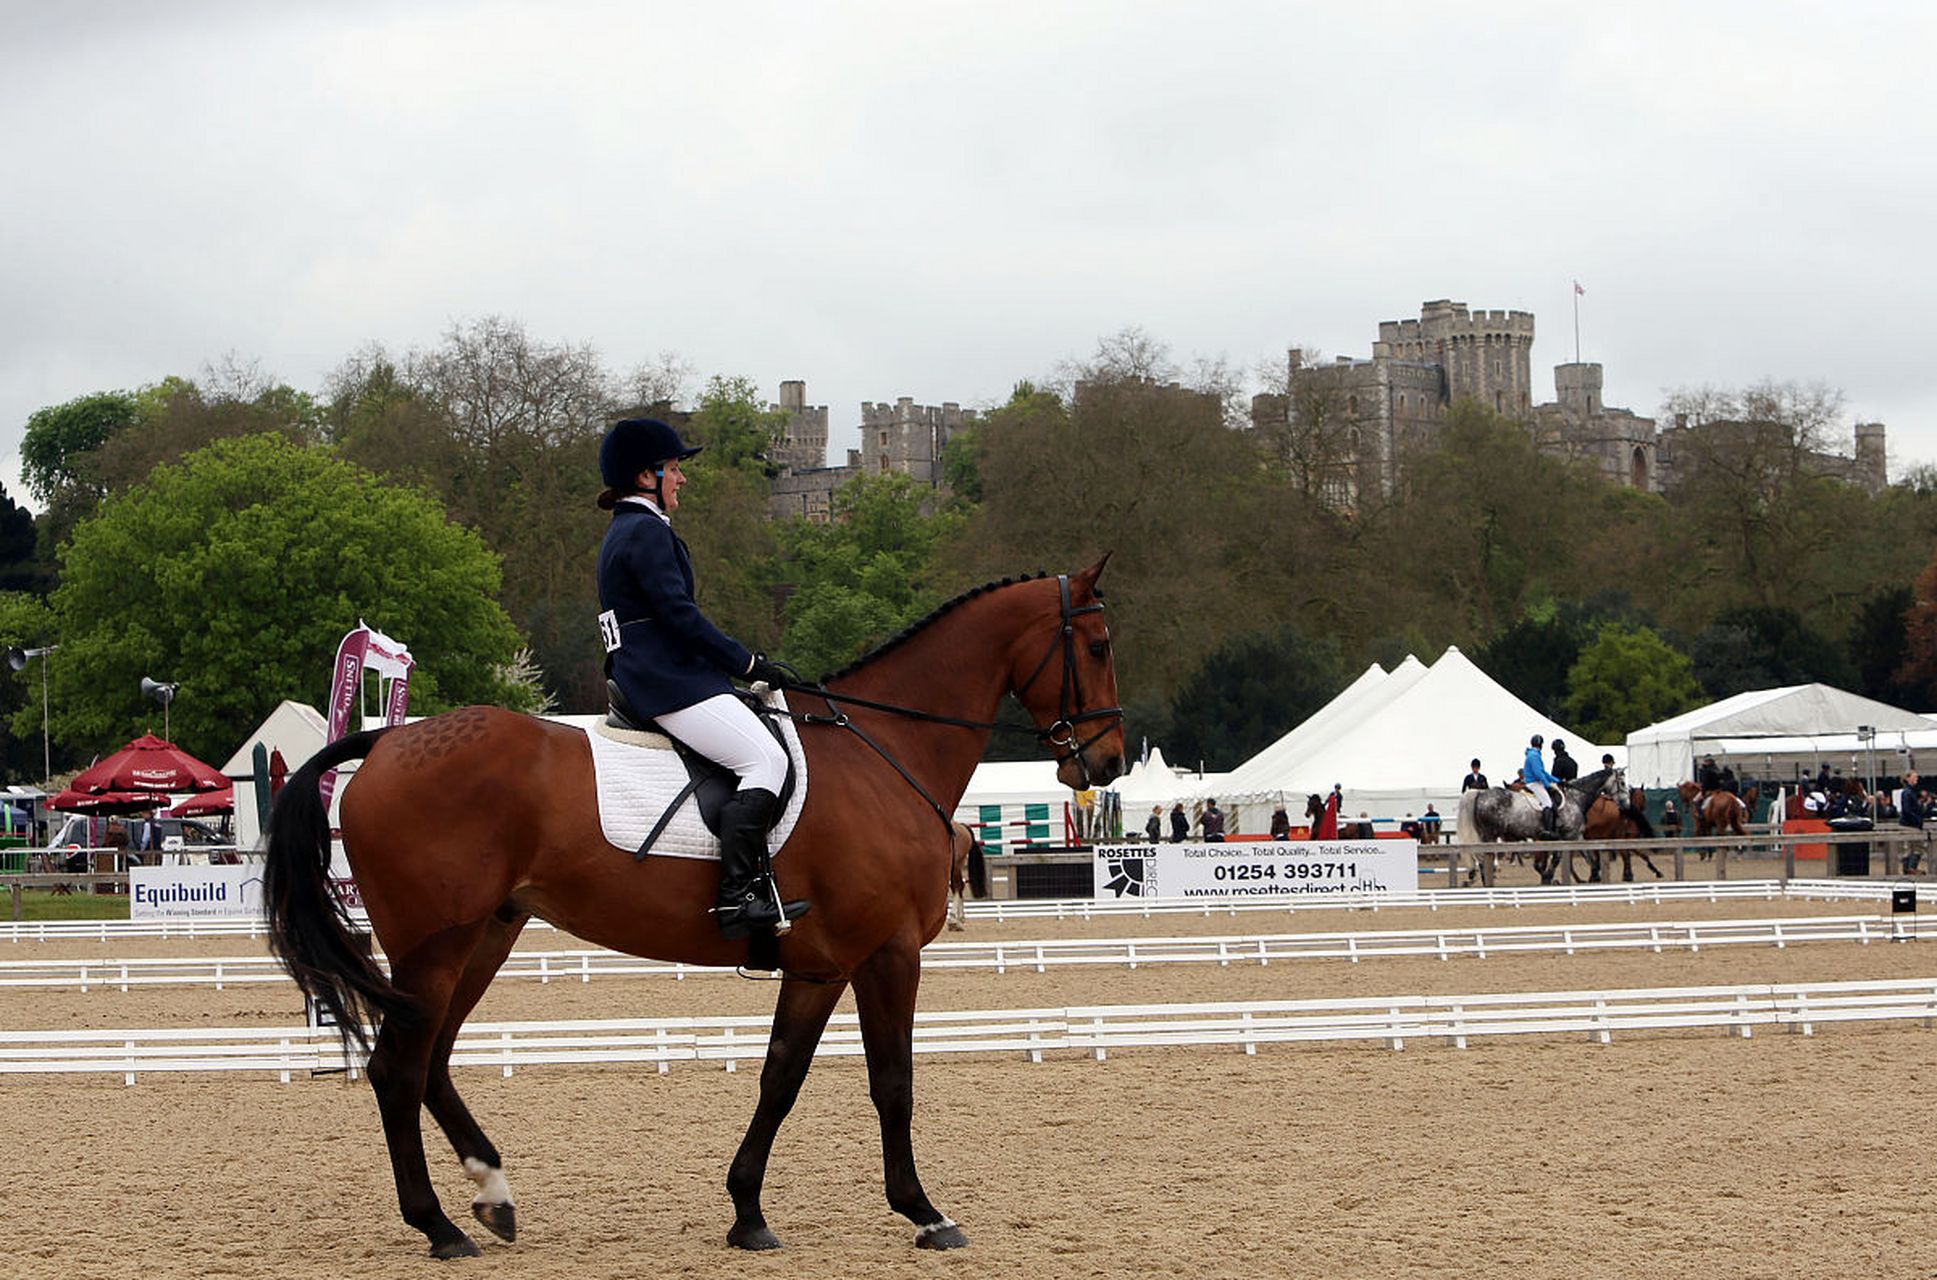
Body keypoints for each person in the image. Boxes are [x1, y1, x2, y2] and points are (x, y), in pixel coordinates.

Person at [597, 416, 802, 940]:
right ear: (647, 477)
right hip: (666, 680)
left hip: (660, 672)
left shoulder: (634, 528)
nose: (682, 478)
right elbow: (679, 617)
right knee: (766, 758)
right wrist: (747, 664)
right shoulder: (643, 531)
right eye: (673, 469)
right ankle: (737, 897)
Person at [1523, 733, 1561, 837]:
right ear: (1541, 745)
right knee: (1547, 803)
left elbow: (1543, 772)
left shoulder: (1532, 754)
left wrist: (1556, 780)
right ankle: (1547, 831)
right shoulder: (1534, 755)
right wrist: (1547, 784)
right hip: (1533, 783)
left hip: (1535, 781)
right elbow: (1538, 773)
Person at [1901, 772, 1927, 873]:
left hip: (1908, 823)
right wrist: (1917, 819)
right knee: (1916, 847)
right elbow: (1907, 810)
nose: (1917, 779)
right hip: (1911, 825)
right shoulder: (1908, 793)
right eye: (1914, 777)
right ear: (1908, 778)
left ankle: (1907, 868)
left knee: (1909, 848)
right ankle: (1911, 868)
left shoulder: (1909, 792)